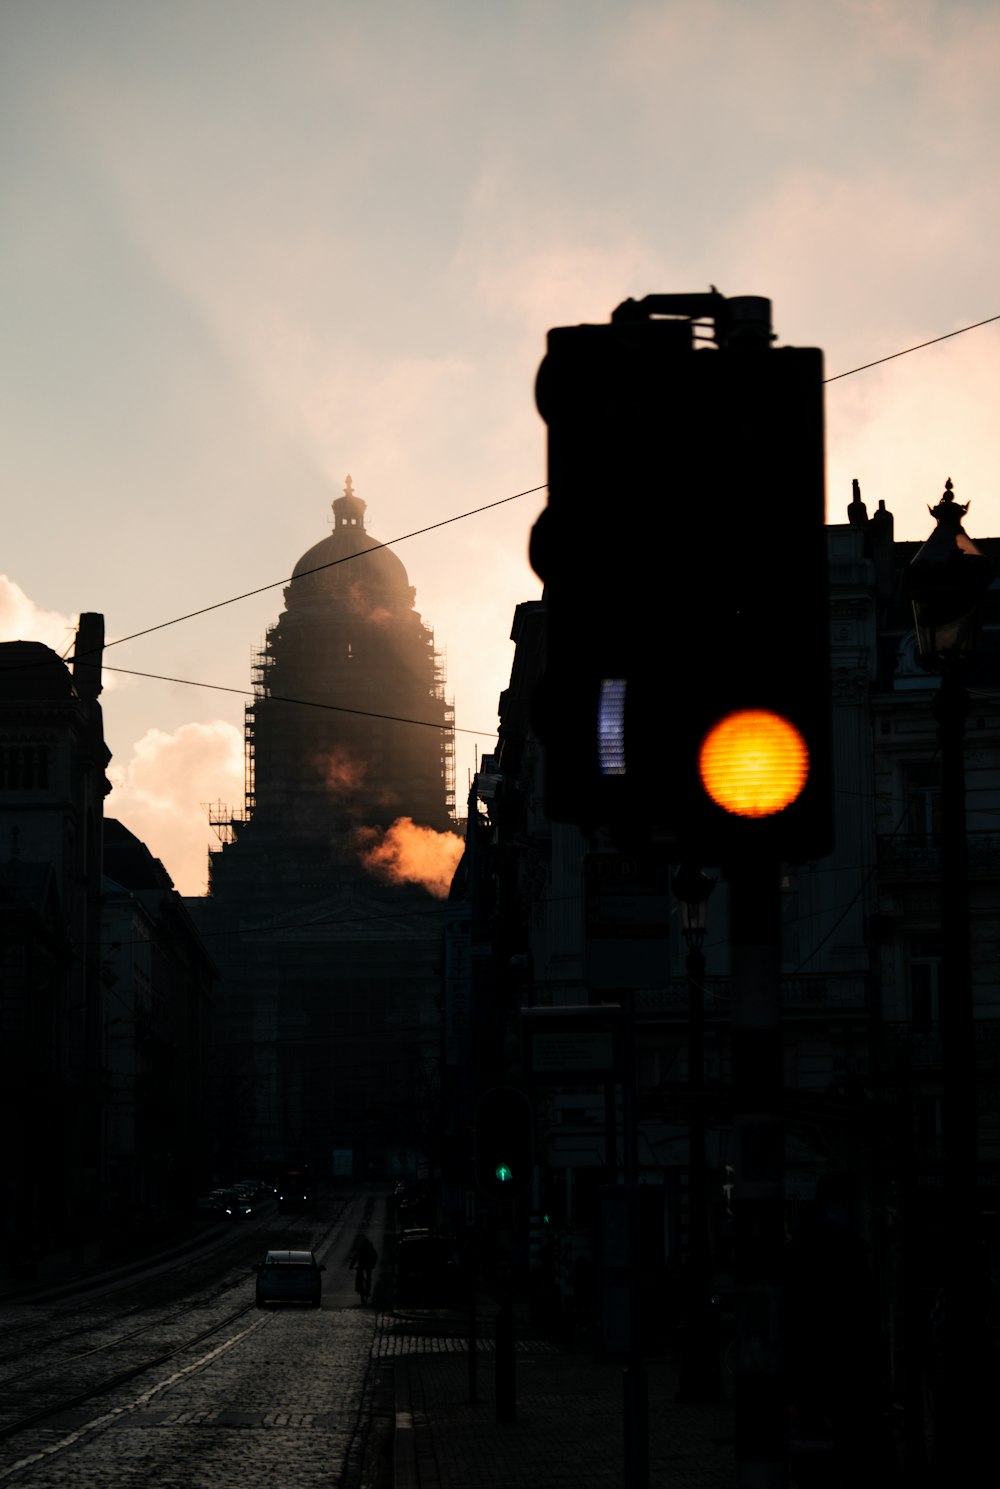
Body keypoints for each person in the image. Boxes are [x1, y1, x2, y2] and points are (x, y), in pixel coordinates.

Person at [347, 1233, 378, 1299]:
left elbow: (355, 1257)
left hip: (362, 1264)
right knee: (368, 1277)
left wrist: (351, 1266)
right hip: (369, 1264)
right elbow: (375, 1256)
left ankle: (358, 1287)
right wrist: (373, 1265)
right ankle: (368, 1290)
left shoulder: (361, 1248)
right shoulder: (371, 1248)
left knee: (358, 1275)